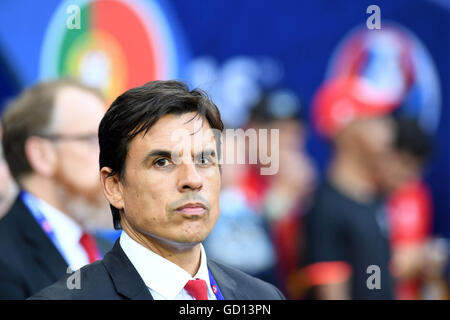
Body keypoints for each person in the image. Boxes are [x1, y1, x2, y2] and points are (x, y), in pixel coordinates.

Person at [30, 80, 285, 300]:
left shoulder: (263, 296)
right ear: (114, 186)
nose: (192, 180)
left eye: (205, 160)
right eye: (162, 162)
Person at [0, 78, 112, 299]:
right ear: (42, 155)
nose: (112, 158)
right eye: (94, 140)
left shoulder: (108, 251)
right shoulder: (5, 259)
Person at [298, 77, 397, 299]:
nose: (389, 128)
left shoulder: (374, 197)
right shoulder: (324, 208)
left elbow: (376, 279)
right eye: (376, 119)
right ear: (346, 130)